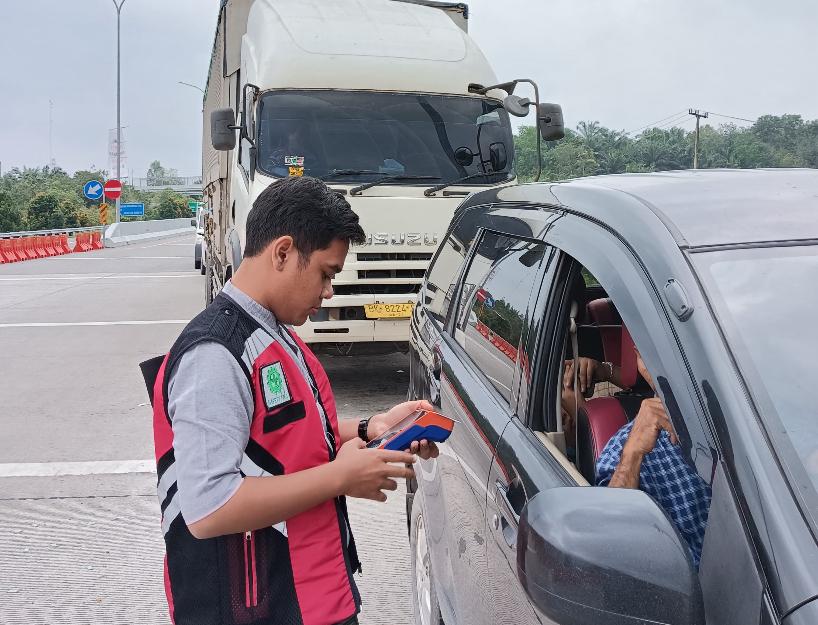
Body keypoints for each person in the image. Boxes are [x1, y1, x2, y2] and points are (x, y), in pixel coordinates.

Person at [142, 176, 438, 625]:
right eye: (325, 273)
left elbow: (280, 436)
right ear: (282, 253)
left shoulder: (272, 332)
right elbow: (209, 506)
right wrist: (339, 478)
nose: (328, 292)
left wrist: (371, 428)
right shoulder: (215, 354)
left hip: (309, 593)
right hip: (253, 606)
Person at [594, 348, 712, 568]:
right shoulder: (626, 448)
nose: (663, 367)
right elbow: (608, 542)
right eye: (648, 355)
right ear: (638, 361)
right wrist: (633, 454)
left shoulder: (747, 419)